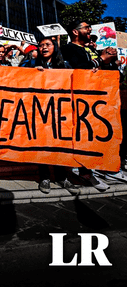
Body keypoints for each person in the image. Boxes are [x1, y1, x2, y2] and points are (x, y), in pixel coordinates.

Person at [61, 19, 121, 191]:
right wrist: (101, 59)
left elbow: (104, 71)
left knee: (93, 137)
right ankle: (77, 172)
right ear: (75, 31)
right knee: (79, 136)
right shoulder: (68, 49)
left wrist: (109, 61)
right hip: (79, 100)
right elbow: (79, 70)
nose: (89, 30)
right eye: (86, 27)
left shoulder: (91, 49)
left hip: (98, 100)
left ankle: (90, 171)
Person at [21, 37, 79, 195]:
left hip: (60, 112)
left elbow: (78, 81)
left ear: (55, 47)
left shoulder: (65, 66)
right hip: (39, 112)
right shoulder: (31, 64)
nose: (43, 48)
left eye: (47, 45)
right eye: (40, 45)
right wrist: (33, 73)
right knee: (43, 145)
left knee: (59, 145)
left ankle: (62, 177)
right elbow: (17, 76)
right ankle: (44, 177)